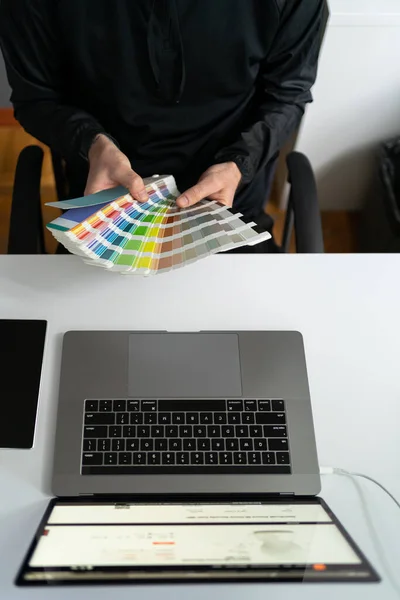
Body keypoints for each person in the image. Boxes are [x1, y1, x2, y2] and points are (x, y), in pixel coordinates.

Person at [0, 0, 325, 233]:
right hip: (104, 194)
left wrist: (241, 161)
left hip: (229, 195)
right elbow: (36, 98)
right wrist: (92, 143)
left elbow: (288, 93)